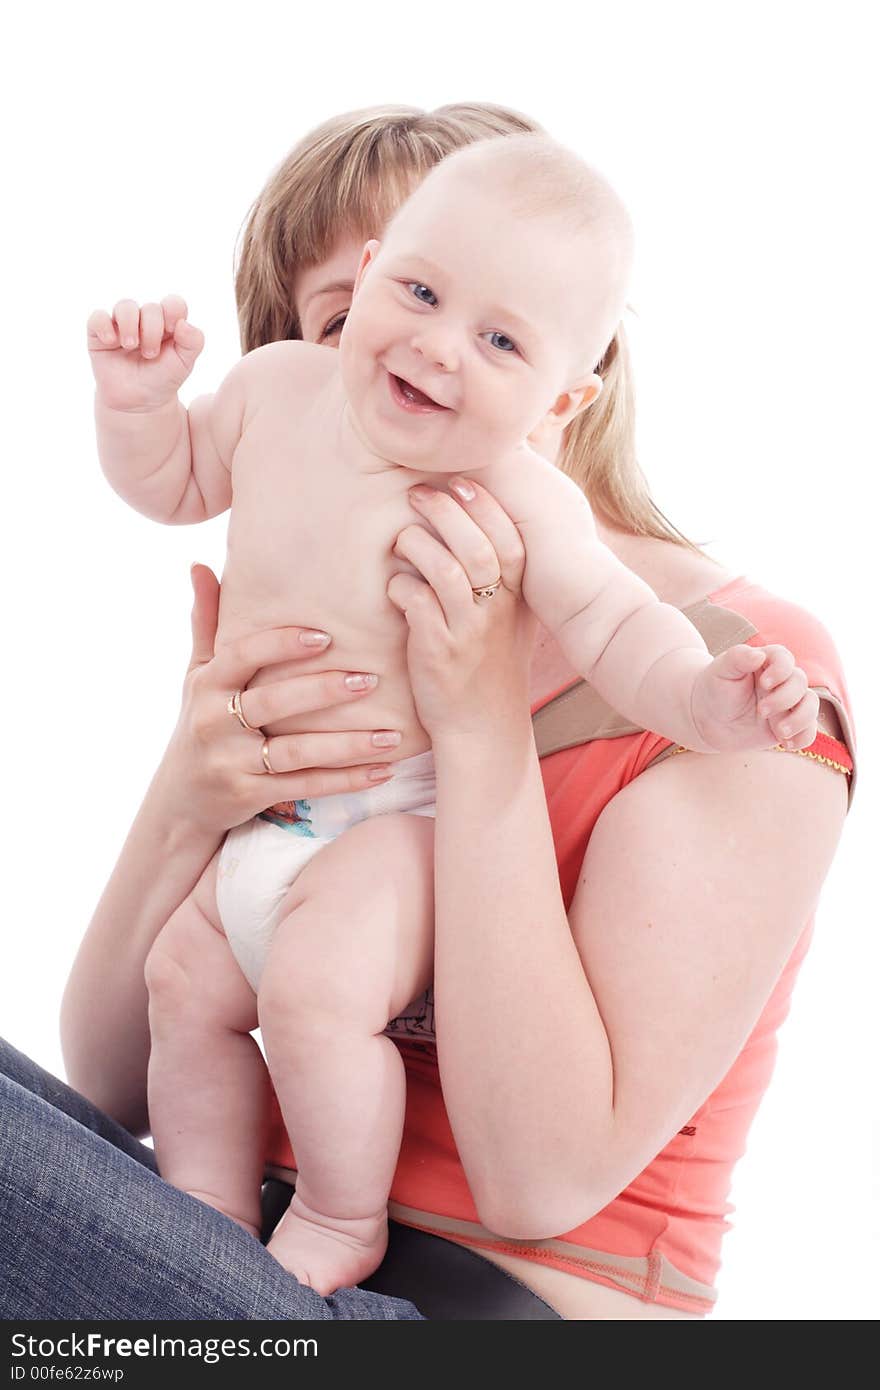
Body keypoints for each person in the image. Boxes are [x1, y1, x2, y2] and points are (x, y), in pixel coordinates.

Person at [1, 103, 854, 1322]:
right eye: (368, 311)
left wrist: (477, 722)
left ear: (565, 382)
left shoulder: (726, 669)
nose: (424, 352)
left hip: (471, 1305)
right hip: (227, 1231)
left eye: (495, 327)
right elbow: (115, 1085)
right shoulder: (323, 630)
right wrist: (190, 793)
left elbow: (537, 1181)